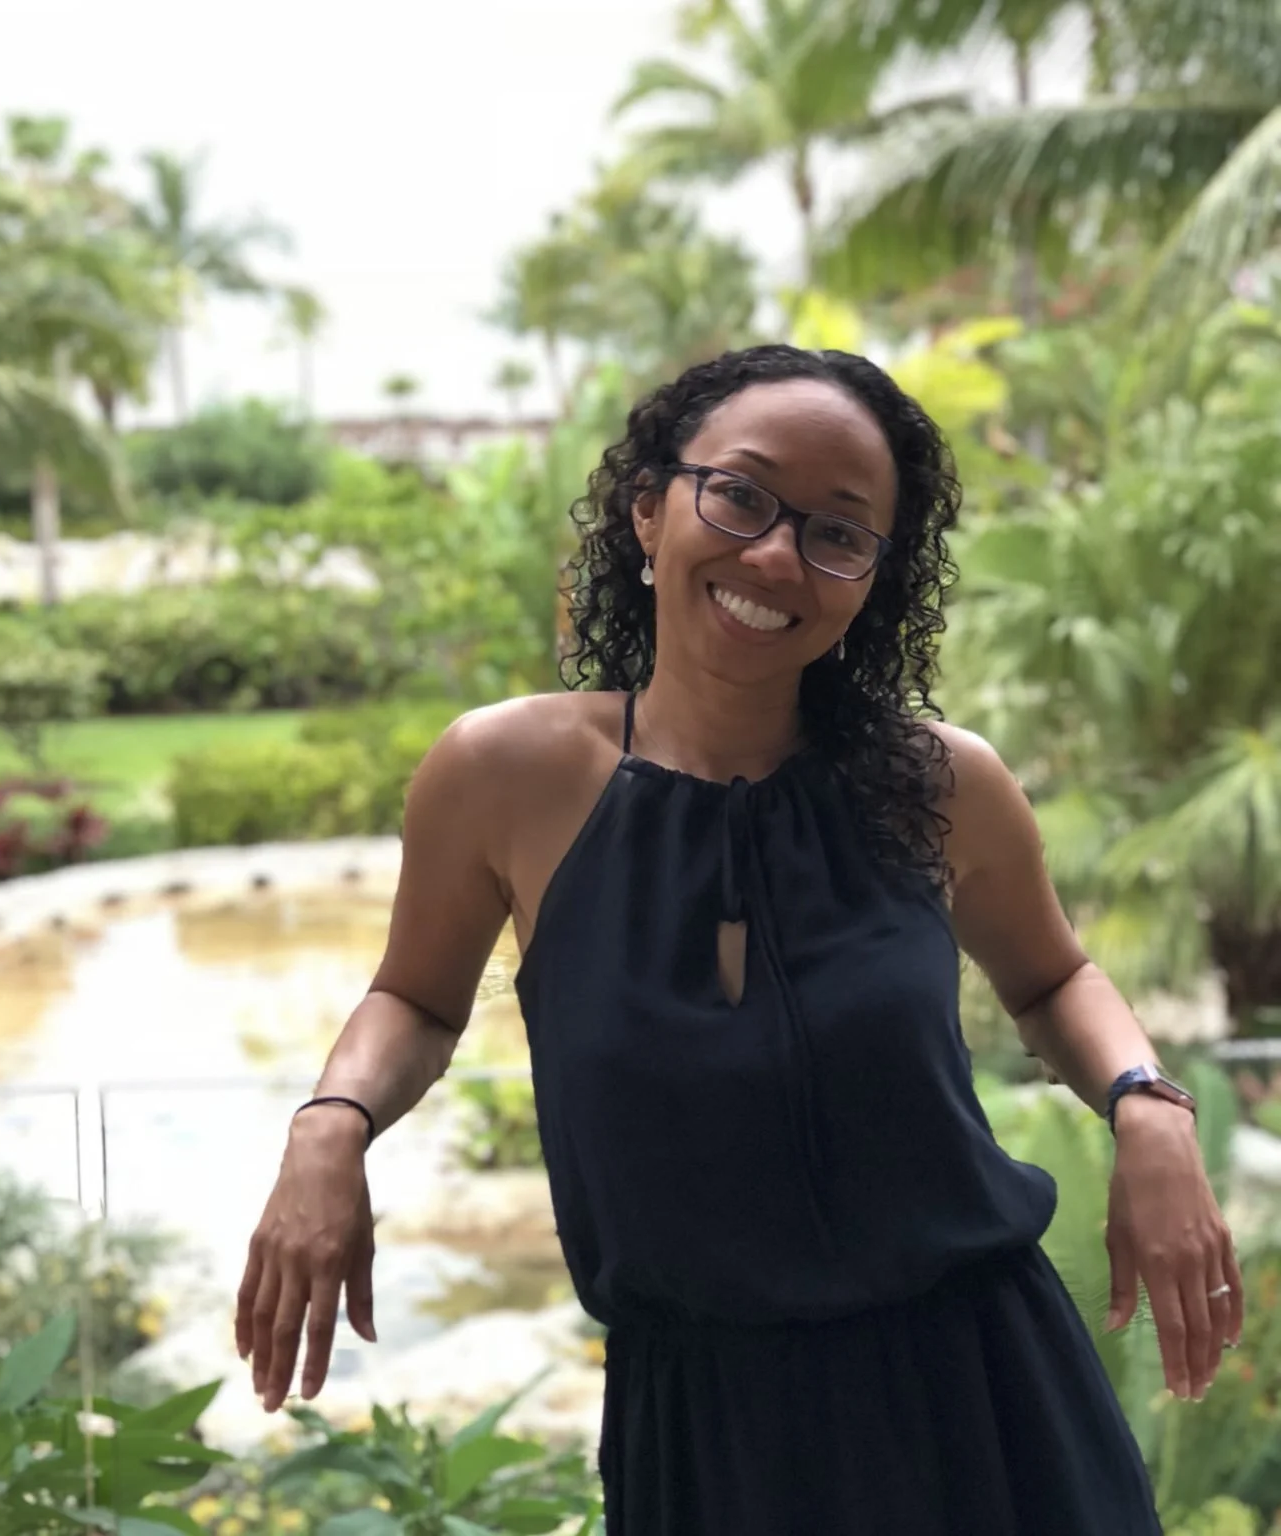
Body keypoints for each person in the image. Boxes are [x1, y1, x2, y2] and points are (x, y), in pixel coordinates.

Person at [236, 345, 1240, 1533]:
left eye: (839, 532)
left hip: (985, 1395)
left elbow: (1054, 975)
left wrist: (1147, 1107)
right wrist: (329, 1128)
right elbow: (417, 1000)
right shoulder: (502, 775)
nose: (776, 556)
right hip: (710, 1433)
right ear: (649, 511)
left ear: (874, 579)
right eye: (743, 495)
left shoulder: (941, 784)